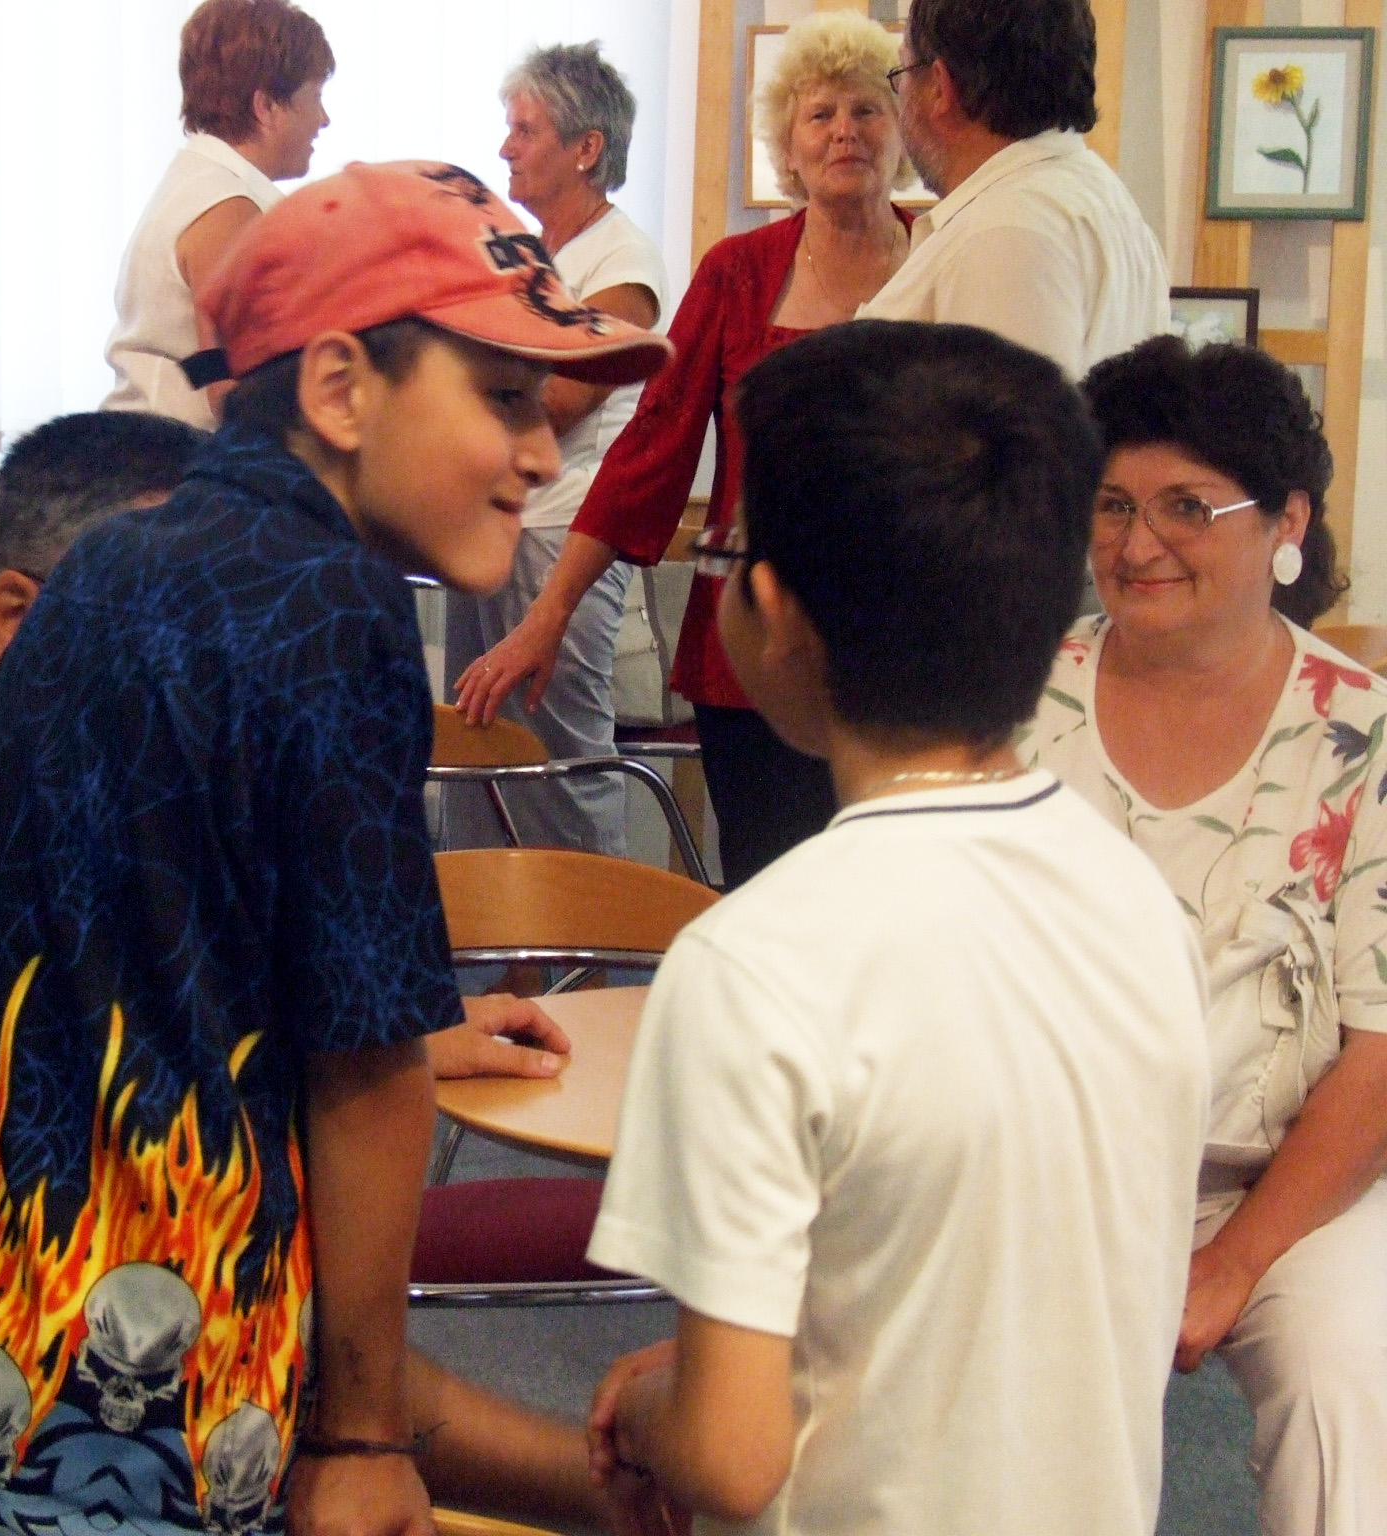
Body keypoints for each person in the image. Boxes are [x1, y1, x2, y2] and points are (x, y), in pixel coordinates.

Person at [0, 162, 669, 1536]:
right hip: (142, 1436)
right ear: (339, 388)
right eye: (504, 397)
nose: (538, 452)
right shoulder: (328, 604)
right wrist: (364, 1435)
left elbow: (165, 954)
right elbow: (366, 1079)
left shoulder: (112, 565)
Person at [0, 409, 592, 1536]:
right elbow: (256, 1364)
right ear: (27, 620)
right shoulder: (22, 864)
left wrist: (351, 1035)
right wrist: (625, 1489)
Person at [582, 321, 1209, 1535]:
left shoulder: (755, 962)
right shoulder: (1134, 896)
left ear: (775, 613)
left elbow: (725, 1462)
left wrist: (651, 1410)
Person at [1022, 336, 1387, 1536]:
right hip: (1038, 1172)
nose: (1135, 546)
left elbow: (1379, 1050)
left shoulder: (1363, 738)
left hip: (1285, 1186)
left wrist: (1230, 1267)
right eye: (1111, 505)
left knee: (1345, 1372)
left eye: (1185, 507)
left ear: (1285, 522)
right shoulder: (1013, 696)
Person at [456, 11, 913, 888]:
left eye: (867, 109)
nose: (845, 133)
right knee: (770, 889)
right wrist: (547, 616)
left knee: (893, 895)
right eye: (820, 115)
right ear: (788, 145)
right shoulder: (737, 271)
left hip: (906, 653)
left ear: (904, 129)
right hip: (757, 654)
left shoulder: (948, 260)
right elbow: (649, 450)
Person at [441, 42, 665, 859]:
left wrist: (449, 405)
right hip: (492, 527)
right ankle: (484, 929)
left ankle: (591, 932)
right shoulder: (527, 257)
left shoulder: (622, 261)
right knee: (477, 750)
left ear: (586, 148)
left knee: (559, 765)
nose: (505, 149)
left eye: (525, 130)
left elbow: (564, 402)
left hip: (562, 535)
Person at [858, 0, 1168, 379]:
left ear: (939, 86)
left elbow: (1007, 415)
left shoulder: (1005, 230)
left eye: (902, 72)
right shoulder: (1091, 194)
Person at [101, 0, 331, 428]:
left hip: (151, 446)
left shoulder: (199, 184)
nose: (324, 119)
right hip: (174, 457)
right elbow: (232, 390)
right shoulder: (227, 208)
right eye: (315, 97)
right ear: (267, 106)